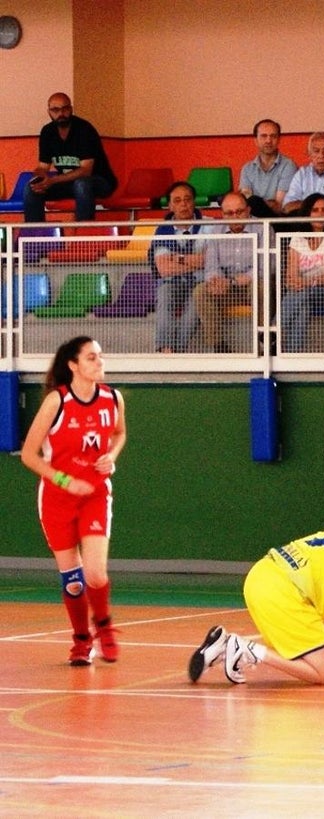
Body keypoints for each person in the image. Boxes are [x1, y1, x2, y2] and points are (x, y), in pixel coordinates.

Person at [188, 505, 324, 686]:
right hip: (280, 590)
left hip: (264, 578)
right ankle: (244, 649)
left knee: (321, 662)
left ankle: (224, 646)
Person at [20, 337, 126, 666]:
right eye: (91, 358)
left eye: (100, 357)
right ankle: (81, 640)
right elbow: (28, 455)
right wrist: (66, 480)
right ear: (73, 365)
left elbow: (120, 433)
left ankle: (104, 626)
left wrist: (111, 455)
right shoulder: (57, 402)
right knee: (75, 580)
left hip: (95, 494)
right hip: (57, 497)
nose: (99, 362)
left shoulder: (113, 398)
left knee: (95, 573)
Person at [23, 92, 118, 223]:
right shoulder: (47, 132)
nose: (61, 113)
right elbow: (43, 166)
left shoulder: (84, 129)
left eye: (65, 109)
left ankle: (83, 237)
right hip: (68, 183)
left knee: (82, 184)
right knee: (30, 188)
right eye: (55, 110)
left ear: (71, 109)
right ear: (49, 112)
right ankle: (34, 237)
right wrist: (39, 178)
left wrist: (52, 180)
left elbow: (86, 171)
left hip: (99, 181)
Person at [192, 191, 262, 353]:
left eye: (239, 212)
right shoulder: (216, 230)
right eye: (229, 213)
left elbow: (267, 266)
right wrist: (216, 280)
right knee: (201, 292)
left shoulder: (262, 228)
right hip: (226, 287)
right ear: (222, 214)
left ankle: (263, 341)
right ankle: (218, 346)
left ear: (248, 210)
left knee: (262, 287)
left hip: (252, 283)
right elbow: (210, 266)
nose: (235, 216)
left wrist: (239, 280)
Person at [151, 180, 216, 353]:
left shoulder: (210, 225)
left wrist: (176, 258)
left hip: (201, 282)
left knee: (196, 302)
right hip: (173, 283)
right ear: (170, 206)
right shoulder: (162, 230)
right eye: (177, 201)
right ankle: (164, 349)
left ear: (194, 202)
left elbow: (208, 260)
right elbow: (164, 269)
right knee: (164, 294)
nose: (183, 204)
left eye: (187, 199)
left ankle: (177, 350)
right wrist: (194, 261)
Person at [281, 192, 324, 352]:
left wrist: (304, 282)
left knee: (300, 294)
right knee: (302, 305)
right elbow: (290, 275)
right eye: (315, 210)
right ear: (307, 213)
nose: (320, 214)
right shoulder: (298, 237)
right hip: (301, 292)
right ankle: (293, 356)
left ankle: (275, 329)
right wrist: (295, 282)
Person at [238, 118, 297, 217]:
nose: (268, 140)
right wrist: (264, 202)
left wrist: (257, 202)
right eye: (264, 136)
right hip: (252, 222)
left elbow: (279, 207)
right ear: (256, 140)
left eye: (273, 136)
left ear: (278, 140)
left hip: (277, 221)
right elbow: (245, 202)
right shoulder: (247, 169)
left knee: (254, 201)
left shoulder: (288, 166)